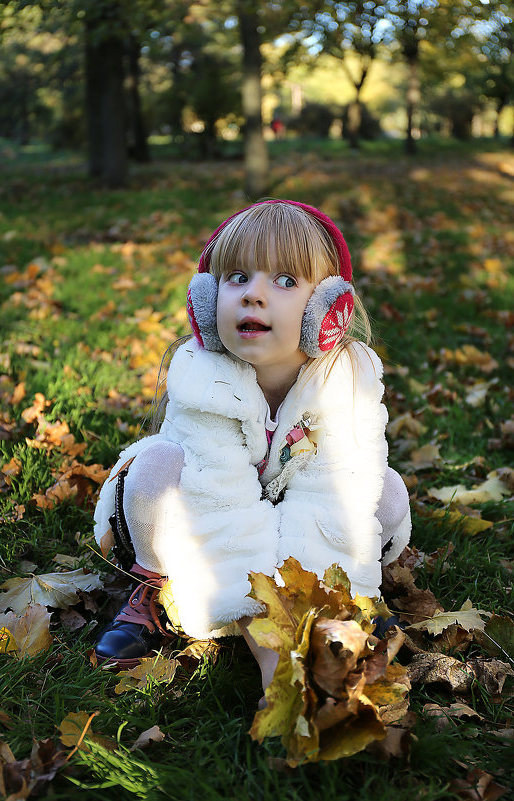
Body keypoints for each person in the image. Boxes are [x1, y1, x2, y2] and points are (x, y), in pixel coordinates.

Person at [92, 199, 411, 693]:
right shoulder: (204, 377)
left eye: (286, 281)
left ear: (328, 310)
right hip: (204, 512)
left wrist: (328, 616)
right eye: (237, 277)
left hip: (294, 505)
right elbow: (222, 515)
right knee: (156, 466)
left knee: (384, 494)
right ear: (206, 299)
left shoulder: (347, 382)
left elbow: (337, 505)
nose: (253, 295)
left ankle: (360, 598)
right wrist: (276, 665)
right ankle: (154, 580)